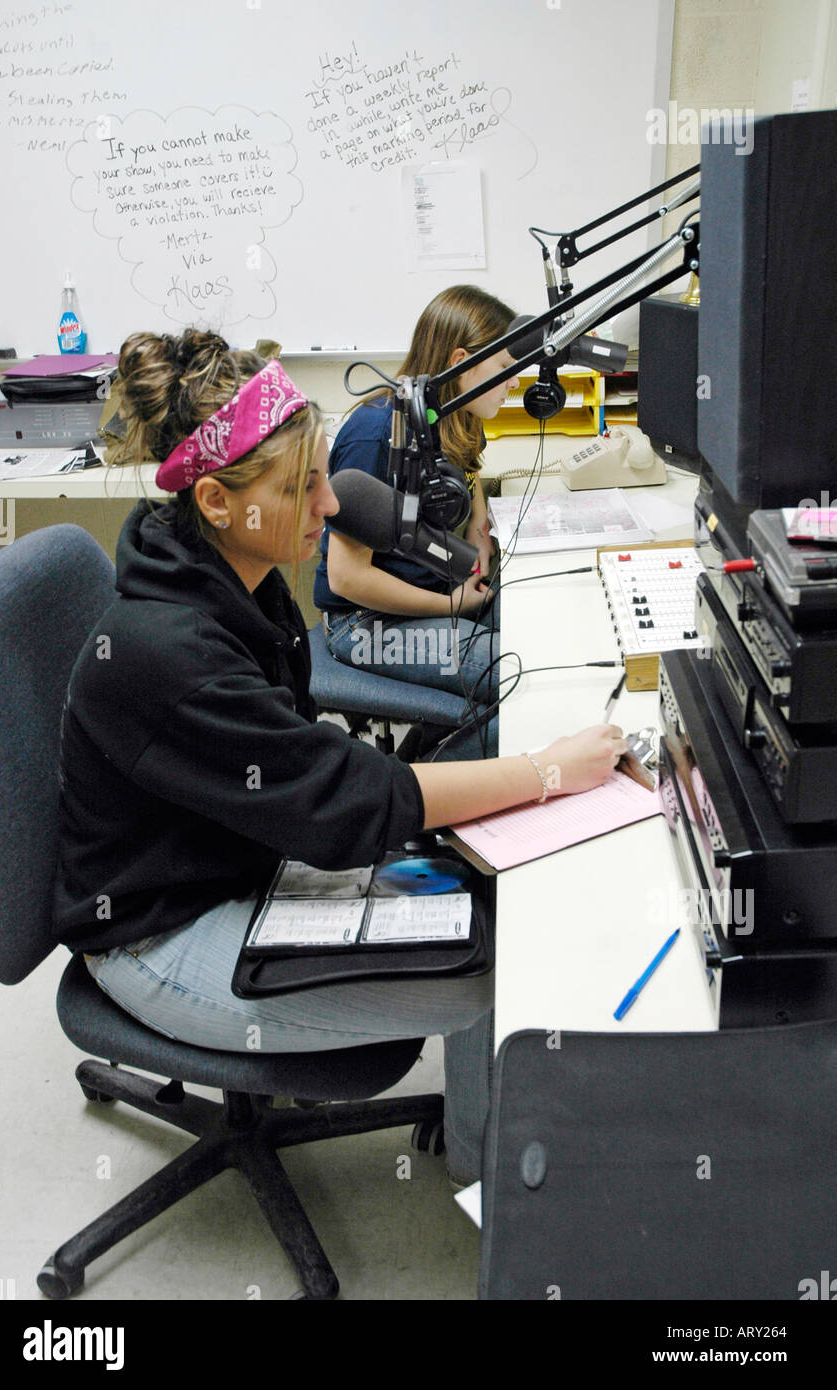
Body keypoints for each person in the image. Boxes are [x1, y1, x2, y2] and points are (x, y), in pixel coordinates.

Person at [53, 328, 626, 1185]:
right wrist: (547, 773)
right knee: (481, 977)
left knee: (474, 901)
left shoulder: (232, 573)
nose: (330, 505)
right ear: (216, 501)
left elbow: (311, 774)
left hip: (234, 853)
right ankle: (494, 1185)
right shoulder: (169, 653)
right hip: (156, 936)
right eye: (303, 485)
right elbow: (343, 802)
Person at [313, 286, 519, 749]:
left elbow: (470, 477)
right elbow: (348, 579)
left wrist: (479, 536)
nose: (514, 383)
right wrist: (456, 606)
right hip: (365, 624)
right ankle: (427, 794)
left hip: (444, 589)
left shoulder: (455, 415)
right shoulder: (374, 435)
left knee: (545, 629)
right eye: (505, 370)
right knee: (521, 671)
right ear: (462, 360)